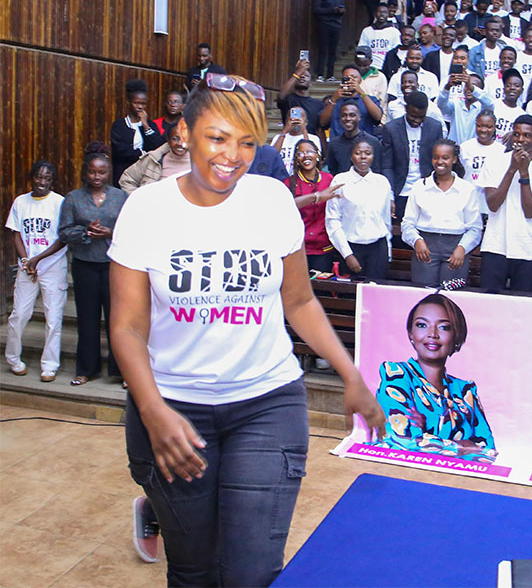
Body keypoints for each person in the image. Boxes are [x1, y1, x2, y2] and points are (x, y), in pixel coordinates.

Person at [108, 73, 385, 587]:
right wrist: (152, 410)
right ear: (185, 132)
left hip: (266, 403)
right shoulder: (147, 208)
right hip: (173, 406)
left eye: (247, 142)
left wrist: (351, 373)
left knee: (251, 572)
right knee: (194, 571)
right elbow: (125, 325)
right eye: (217, 137)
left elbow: (299, 301)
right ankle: (158, 506)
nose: (232, 156)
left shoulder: (271, 199)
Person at [374, 293, 497, 462]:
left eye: (444, 327)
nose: (432, 334)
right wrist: (461, 446)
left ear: (456, 335)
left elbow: (489, 453)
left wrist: (425, 435)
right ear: (411, 334)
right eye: (422, 325)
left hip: (457, 480)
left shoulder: (465, 390)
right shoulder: (396, 375)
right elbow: (399, 441)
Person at [58, 144, 127, 385]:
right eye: (92, 172)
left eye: (101, 172)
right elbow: (64, 231)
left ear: (109, 173)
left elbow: (130, 231)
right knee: (86, 319)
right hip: (84, 265)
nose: (96, 177)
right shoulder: (73, 198)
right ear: (85, 172)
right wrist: (86, 232)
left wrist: (110, 233)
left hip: (113, 266)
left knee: (116, 318)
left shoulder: (120, 197)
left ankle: (121, 371)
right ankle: (86, 369)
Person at [479, 116, 532, 291]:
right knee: (490, 304)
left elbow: (530, 211)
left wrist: (524, 173)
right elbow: (493, 204)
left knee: (521, 306)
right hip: (495, 246)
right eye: (517, 134)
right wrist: (512, 169)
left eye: (527, 135)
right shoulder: (494, 162)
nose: (521, 140)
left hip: (526, 248)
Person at [5, 161, 67, 381]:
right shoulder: (21, 202)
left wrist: (38, 259)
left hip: (53, 266)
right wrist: (25, 260)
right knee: (19, 314)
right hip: (27, 268)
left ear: (52, 180)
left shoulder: (60, 202)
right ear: (32, 177)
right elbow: (16, 234)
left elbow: (63, 238)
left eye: (47, 178)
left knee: (53, 318)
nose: (42, 182)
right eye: (38, 177)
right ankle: (13, 358)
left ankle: (49, 365)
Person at [402, 139, 482, 287]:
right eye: (436, 157)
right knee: (423, 296)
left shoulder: (467, 189)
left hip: (455, 248)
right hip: (426, 248)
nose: (440, 161)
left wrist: (462, 248)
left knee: (451, 298)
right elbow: (407, 223)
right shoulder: (420, 186)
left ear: (454, 159)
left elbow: (475, 228)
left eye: (445, 157)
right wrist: (417, 241)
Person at [326, 137, 393, 281]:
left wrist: (388, 250)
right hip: (351, 247)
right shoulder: (340, 181)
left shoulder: (382, 182)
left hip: (378, 248)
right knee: (351, 298)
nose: (363, 157)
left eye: (367, 153)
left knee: (376, 294)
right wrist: (347, 254)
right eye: (358, 153)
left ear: (373, 157)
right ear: (351, 156)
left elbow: (385, 220)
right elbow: (333, 221)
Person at [380, 91, 445, 215]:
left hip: (427, 190)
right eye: (413, 116)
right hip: (401, 192)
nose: (417, 120)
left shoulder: (435, 127)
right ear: (406, 109)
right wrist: (390, 196)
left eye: (421, 117)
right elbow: (387, 166)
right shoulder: (391, 129)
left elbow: (438, 163)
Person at [285, 140, 341, 273]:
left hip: (324, 249)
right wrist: (316, 196)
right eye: (300, 153)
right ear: (296, 159)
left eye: (310, 152)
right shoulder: (289, 183)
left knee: (322, 291)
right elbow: (285, 208)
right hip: (298, 249)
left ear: (318, 155)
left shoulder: (329, 179)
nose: (305, 156)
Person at [110, 79, 164, 187]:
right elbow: (120, 150)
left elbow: (158, 147)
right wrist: (143, 154)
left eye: (143, 104)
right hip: (123, 174)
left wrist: (145, 126)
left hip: (147, 176)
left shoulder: (151, 125)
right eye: (136, 103)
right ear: (128, 103)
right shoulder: (119, 125)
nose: (140, 107)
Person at [120, 122, 191, 194]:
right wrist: (139, 200)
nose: (180, 143)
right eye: (175, 138)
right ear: (168, 140)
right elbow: (127, 179)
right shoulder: (153, 159)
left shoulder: (200, 164)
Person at [459, 110, 508, 215]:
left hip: (489, 204)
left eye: (488, 126)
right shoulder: (465, 147)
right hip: (469, 201)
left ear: (495, 127)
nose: (483, 130)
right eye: (480, 126)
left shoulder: (502, 150)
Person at [320, 64, 384, 138]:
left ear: (360, 81)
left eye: (354, 77)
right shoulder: (334, 100)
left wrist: (362, 93)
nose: (350, 80)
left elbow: (378, 117)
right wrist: (334, 100)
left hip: (362, 145)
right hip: (338, 145)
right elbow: (322, 123)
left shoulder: (370, 99)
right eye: (346, 78)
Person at [326, 100, 382, 175]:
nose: (348, 118)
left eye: (352, 115)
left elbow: (377, 169)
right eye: (344, 115)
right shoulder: (334, 144)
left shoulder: (372, 142)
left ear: (359, 117)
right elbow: (333, 169)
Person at [277, 60, 327, 141]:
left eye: (306, 76)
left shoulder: (318, 104)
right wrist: (297, 73)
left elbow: (320, 130)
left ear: (311, 83)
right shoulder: (289, 100)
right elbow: (281, 97)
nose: (302, 76)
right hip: (289, 141)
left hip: (310, 143)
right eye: (300, 75)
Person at [312, 0, 346, 83]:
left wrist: (341, 11)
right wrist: (332, 10)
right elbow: (316, 9)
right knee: (323, 50)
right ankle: (320, 74)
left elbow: (341, 8)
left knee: (333, 51)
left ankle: (330, 75)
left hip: (336, 25)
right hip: (324, 24)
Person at [270, 110, 322, 175]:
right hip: (280, 176)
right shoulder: (278, 137)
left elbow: (315, 159)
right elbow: (272, 156)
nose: (295, 121)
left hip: (302, 177)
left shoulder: (314, 138)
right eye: (291, 119)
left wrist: (304, 130)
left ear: (306, 122)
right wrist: (284, 131)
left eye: (300, 118)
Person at [358, 4, 403, 71]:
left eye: (385, 12)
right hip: (371, 67)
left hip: (387, 67)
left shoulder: (394, 31)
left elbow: (397, 51)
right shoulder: (367, 30)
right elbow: (361, 50)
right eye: (379, 12)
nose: (382, 14)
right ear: (375, 14)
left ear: (388, 14)